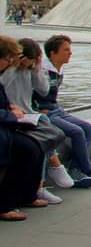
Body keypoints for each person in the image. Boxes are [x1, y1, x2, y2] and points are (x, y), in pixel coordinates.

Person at [0, 38, 75, 198]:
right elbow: (2, 85)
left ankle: (44, 181)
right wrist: (13, 68)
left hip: (25, 114)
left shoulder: (31, 69)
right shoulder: (8, 70)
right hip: (12, 117)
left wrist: (37, 68)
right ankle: (52, 170)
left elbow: (43, 90)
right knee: (39, 139)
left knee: (45, 130)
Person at [33, 35, 91, 186]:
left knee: (88, 128)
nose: (70, 53)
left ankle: (75, 169)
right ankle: (87, 171)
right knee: (77, 131)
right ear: (53, 53)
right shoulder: (42, 70)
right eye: (66, 49)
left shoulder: (57, 69)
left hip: (55, 109)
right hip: (44, 112)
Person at [0, 35, 51, 221]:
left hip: (8, 123)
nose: (9, 63)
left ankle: (28, 195)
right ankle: (5, 204)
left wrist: (9, 109)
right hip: (5, 126)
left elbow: (43, 90)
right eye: (7, 59)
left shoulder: (25, 70)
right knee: (27, 149)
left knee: (34, 147)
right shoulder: (6, 73)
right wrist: (11, 114)